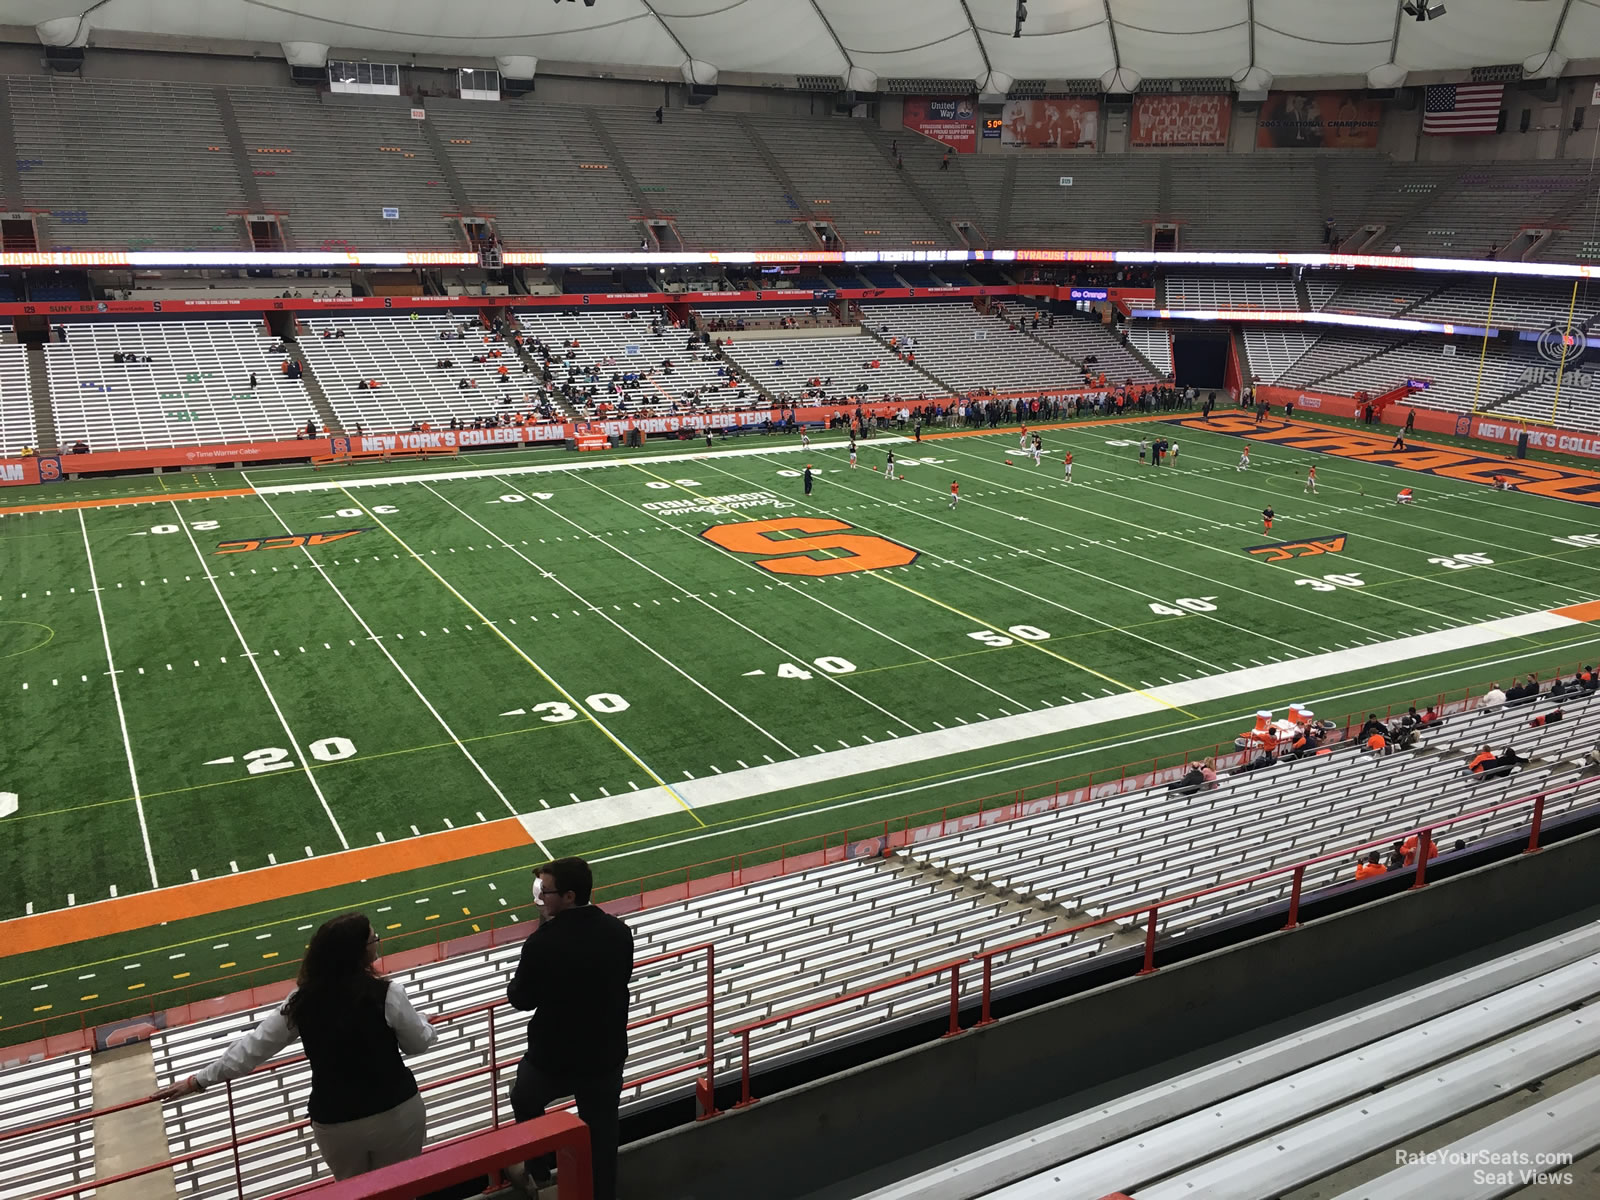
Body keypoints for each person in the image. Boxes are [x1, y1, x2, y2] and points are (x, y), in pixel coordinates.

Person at [152, 914, 436, 1180]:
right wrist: (422, 1022)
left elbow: (252, 1049)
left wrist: (197, 1081)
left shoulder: (301, 1001)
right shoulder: (388, 994)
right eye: (373, 940)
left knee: (356, 1194)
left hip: (335, 1123)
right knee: (401, 1189)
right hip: (396, 1113)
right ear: (359, 952)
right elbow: (418, 1044)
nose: (376, 944)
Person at [508, 858, 633, 1200]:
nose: (541, 899)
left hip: (554, 1056)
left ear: (569, 896)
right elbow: (620, 977)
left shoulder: (542, 943)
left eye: (546, 892)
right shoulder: (618, 931)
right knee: (603, 1134)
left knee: (524, 1098)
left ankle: (538, 1172)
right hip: (605, 1052)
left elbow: (521, 998)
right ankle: (601, 1193)